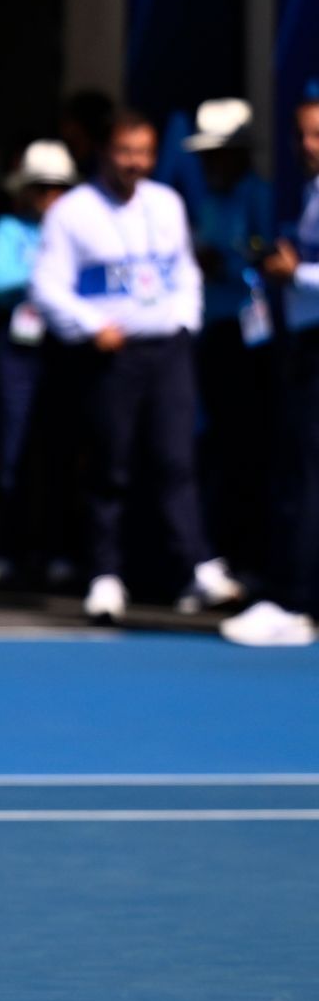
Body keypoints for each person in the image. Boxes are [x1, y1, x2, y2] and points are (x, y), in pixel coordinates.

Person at [30, 110, 242, 624]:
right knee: (111, 464)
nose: (135, 163)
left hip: (165, 350)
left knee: (176, 458)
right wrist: (89, 325)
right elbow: (47, 286)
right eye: (126, 152)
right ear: (106, 152)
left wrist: (184, 322)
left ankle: (195, 565)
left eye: (144, 153)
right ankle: (104, 574)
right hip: (112, 354)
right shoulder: (72, 212)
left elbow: (185, 271)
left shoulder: (166, 203)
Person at [221, 91, 319, 647]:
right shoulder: (311, 193)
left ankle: (294, 601)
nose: (308, 146)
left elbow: (305, 274)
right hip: (303, 345)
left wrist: (296, 273)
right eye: (302, 134)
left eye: (318, 135)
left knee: (303, 479)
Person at [0, 140, 78, 588]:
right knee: (14, 451)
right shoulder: (9, 229)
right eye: (41, 188)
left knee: (60, 451)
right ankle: (7, 549)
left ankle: (56, 549)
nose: (50, 198)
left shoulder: (77, 232)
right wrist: (49, 277)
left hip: (62, 349)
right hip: (19, 351)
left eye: (57, 188)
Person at [183, 99, 277, 585]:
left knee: (247, 447)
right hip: (215, 334)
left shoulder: (259, 196)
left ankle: (251, 557)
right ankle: (218, 554)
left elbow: (267, 255)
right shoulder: (207, 199)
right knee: (214, 447)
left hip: (252, 339)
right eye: (206, 156)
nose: (211, 164)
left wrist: (232, 262)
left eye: (219, 154)